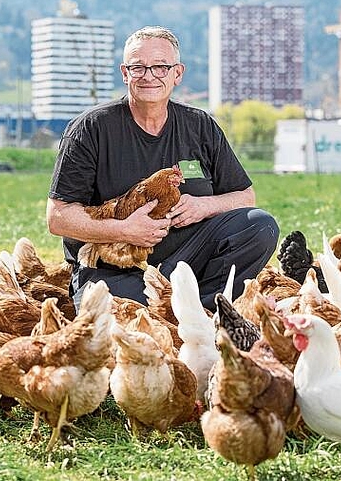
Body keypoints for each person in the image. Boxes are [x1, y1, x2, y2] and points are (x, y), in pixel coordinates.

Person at [46, 25, 279, 312]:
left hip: (189, 259)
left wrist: (205, 205)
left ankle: (206, 309)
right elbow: (58, 217)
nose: (149, 76)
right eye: (138, 67)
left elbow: (245, 197)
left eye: (160, 67)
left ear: (177, 73)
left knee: (260, 225)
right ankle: (181, 309)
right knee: (125, 316)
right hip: (115, 267)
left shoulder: (199, 125)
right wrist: (124, 231)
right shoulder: (91, 129)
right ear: (124, 73)